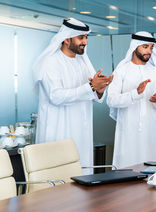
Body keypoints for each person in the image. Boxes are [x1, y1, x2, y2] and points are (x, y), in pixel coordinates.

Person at [33, 18, 113, 169]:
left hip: (82, 134)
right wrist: (91, 87)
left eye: (86, 37)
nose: (85, 42)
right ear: (67, 39)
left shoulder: (83, 62)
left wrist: (100, 91)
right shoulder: (51, 62)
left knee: (81, 177)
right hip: (59, 132)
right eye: (81, 38)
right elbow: (56, 96)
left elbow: (92, 94)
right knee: (59, 179)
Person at [107, 31, 156, 168]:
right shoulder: (121, 70)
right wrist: (136, 93)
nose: (149, 51)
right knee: (127, 174)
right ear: (135, 46)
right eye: (145, 47)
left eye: (151, 48)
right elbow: (111, 100)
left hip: (151, 131)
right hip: (128, 131)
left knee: (153, 175)